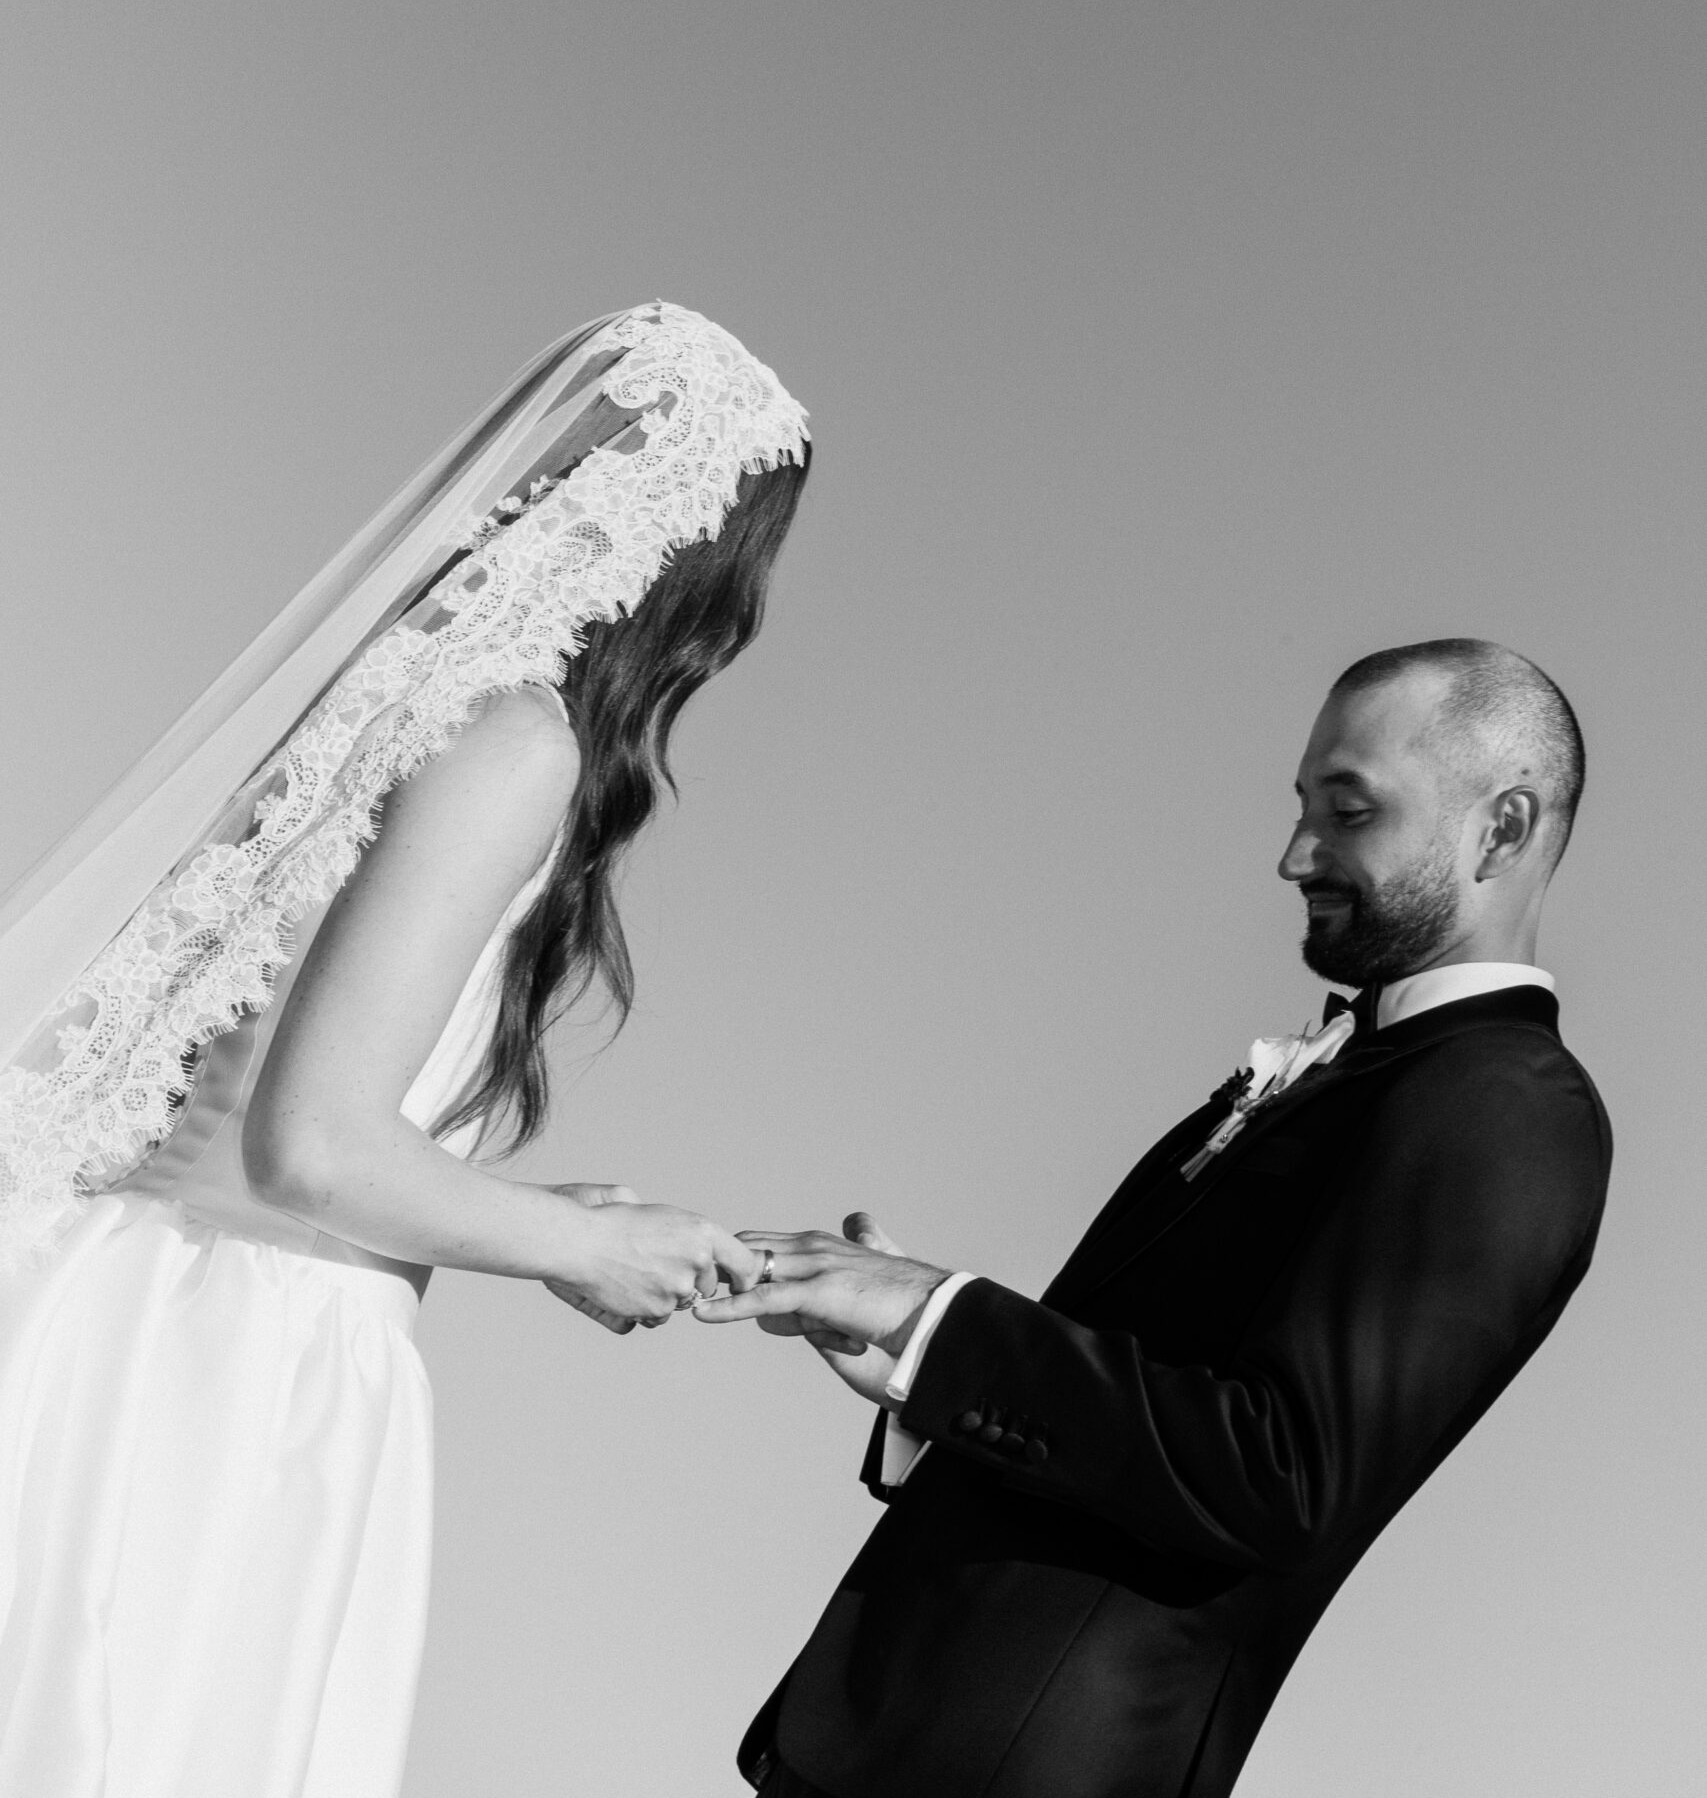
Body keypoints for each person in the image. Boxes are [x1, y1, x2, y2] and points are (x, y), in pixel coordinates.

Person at [0, 300, 809, 1798]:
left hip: (139, 1302)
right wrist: (581, 1245)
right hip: (226, 1373)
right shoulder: (516, 743)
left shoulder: (393, 706)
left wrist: (532, 1214)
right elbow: (306, 1146)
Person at [702, 640, 1613, 1798]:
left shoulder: (1507, 1105)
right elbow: (1144, 1413)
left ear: (1502, 828)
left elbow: (1284, 1476)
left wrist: (942, 1316)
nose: (1295, 855)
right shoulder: (1369, 1071)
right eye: (1302, 807)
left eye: (1348, 810)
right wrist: (916, 1368)